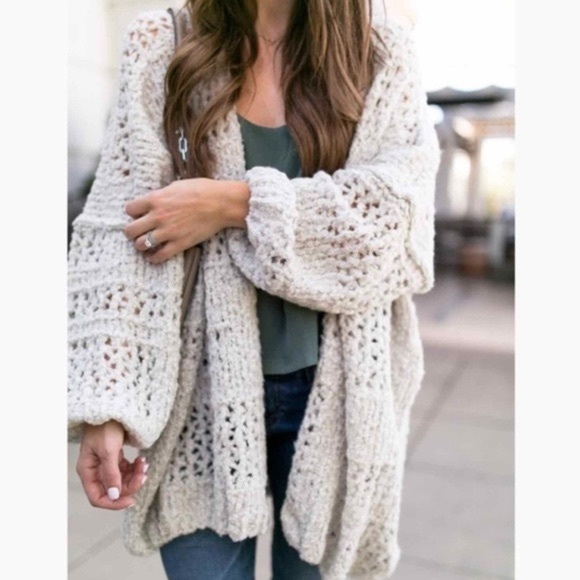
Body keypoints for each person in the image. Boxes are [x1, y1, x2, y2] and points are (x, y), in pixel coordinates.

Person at [68, 0, 440, 578]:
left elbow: (395, 223)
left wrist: (232, 204)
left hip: (340, 396)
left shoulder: (380, 53)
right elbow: (121, 229)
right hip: (198, 391)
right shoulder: (164, 42)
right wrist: (107, 405)